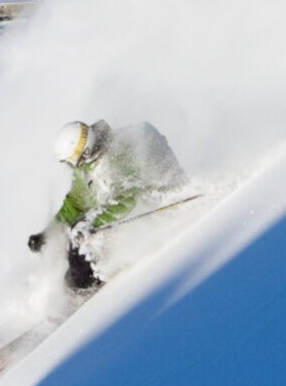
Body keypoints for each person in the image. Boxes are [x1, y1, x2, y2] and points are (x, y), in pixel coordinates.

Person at [27, 120, 186, 292]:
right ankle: (73, 286)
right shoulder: (86, 167)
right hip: (120, 217)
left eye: (72, 160)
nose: (72, 165)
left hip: (151, 209)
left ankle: (85, 287)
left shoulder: (119, 153)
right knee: (75, 240)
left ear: (85, 149)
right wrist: (48, 234)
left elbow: (128, 196)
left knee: (80, 245)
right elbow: (76, 204)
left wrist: (93, 221)